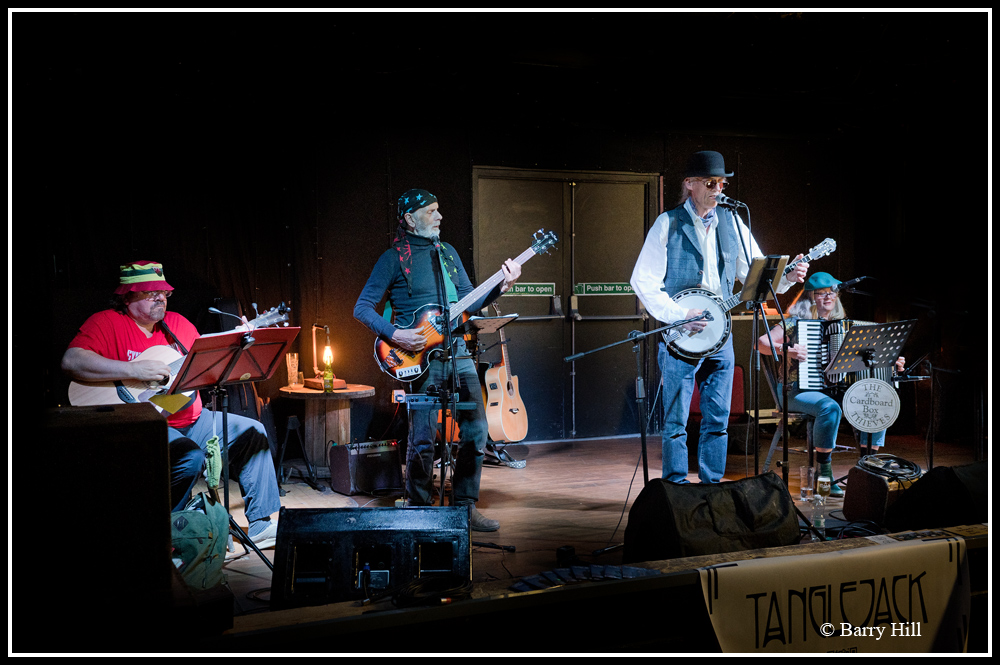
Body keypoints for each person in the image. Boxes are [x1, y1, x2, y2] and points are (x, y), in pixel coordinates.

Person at [62, 260, 282, 549]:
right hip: (145, 423)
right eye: (150, 293)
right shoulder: (106, 323)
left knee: (253, 432)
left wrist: (233, 345)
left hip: (193, 419)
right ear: (127, 297)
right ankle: (170, 530)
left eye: (163, 293)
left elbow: (204, 366)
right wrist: (134, 371)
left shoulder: (178, 325)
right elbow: (72, 361)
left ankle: (261, 525)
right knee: (188, 457)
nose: (160, 299)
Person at [630, 150, 809, 484]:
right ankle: (676, 488)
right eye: (711, 182)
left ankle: (712, 484)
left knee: (719, 418)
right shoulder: (668, 223)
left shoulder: (732, 221)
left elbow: (755, 275)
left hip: (720, 337)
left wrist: (788, 277)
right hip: (680, 338)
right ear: (690, 185)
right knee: (675, 421)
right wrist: (680, 314)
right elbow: (642, 281)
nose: (718, 189)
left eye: (722, 183)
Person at [354, 189, 521, 531]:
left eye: (439, 209)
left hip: (457, 352)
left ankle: (464, 505)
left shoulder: (447, 253)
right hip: (416, 355)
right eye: (431, 210)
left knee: (476, 428)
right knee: (424, 437)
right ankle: (419, 507)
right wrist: (394, 334)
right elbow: (362, 308)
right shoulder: (393, 259)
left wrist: (502, 286)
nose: (440, 215)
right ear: (410, 219)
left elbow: (470, 301)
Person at [756, 272, 906, 496]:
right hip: (796, 391)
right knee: (829, 407)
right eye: (821, 293)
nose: (828, 297)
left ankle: (868, 468)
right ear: (809, 297)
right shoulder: (793, 323)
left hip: (835, 390)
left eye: (832, 292)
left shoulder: (844, 326)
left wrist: (890, 362)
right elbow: (762, 343)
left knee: (877, 402)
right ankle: (823, 472)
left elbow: (863, 361)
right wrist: (787, 349)